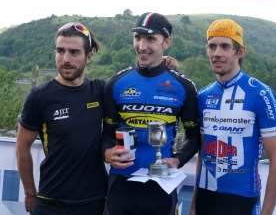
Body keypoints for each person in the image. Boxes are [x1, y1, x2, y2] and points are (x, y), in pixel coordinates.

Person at [16, 21, 178, 215]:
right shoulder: (39, 97)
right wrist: (29, 192)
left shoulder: (101, 90)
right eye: (60, 51)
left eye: (74, 52)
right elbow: (21, 147)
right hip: (51, 199)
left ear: (88, 57)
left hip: (95, 201)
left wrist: (160, 62)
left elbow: (132, 81)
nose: (65, 58)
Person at [102, 12, 201, 215]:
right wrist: (106, 153)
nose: (142, 46)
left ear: (166, 42)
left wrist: (178, 159)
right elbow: (107, 133)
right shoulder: (115, 83)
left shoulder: (184, 86)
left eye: (151, 39)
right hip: (121, 184)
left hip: (161, 187)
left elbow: (194, 136)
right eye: (137, 38)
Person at [190, 19, 276, 215]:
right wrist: (193, 207)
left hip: (242, 200)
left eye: (225, 46)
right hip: (205, 198)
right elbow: (202, 155)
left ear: (239, 52)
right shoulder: (203, 95)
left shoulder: (260, 94)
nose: (217, 53)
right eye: (212, 46)